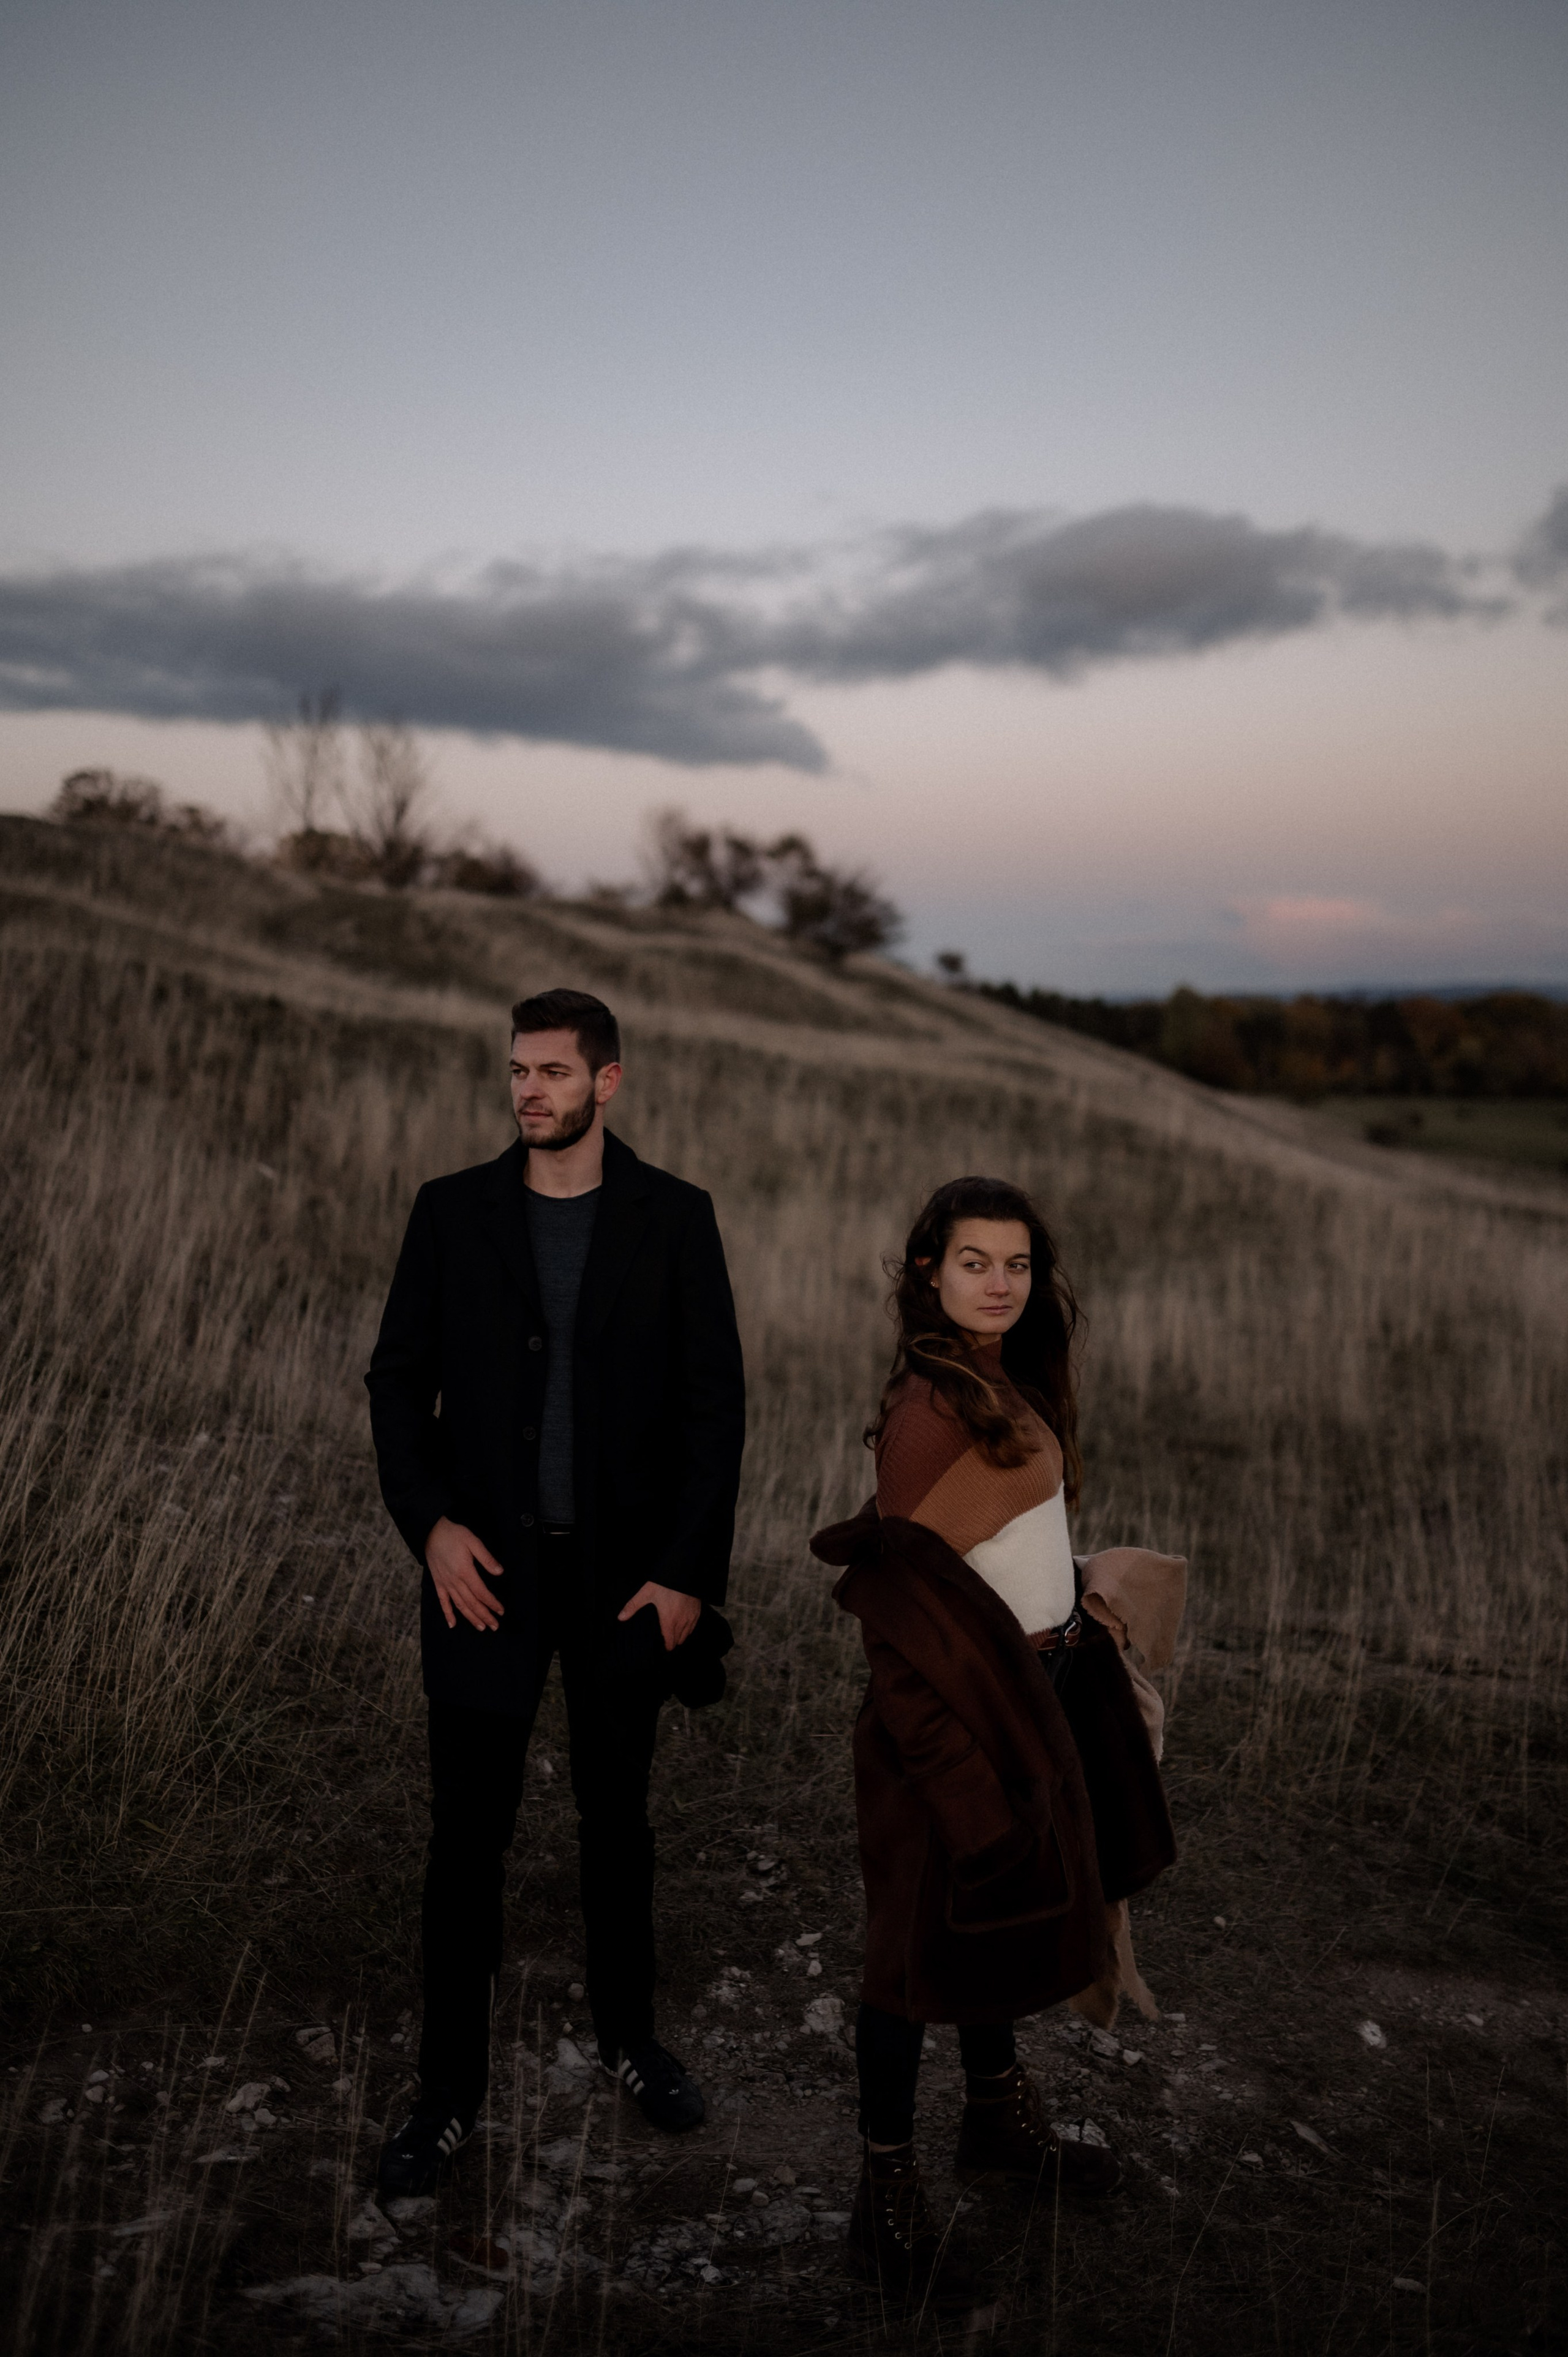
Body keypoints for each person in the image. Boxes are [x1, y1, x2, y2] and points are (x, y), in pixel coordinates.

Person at [366, 987, 745, 2195]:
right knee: (465, 1840)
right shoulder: (450, 1213)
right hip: (484, 1576)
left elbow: (714, 1410)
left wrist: (687, 1572)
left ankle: (631, 2041)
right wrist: (428, 1528)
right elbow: (394, 1386)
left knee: (615, 1824)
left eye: (550, 1073)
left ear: (607, 1082)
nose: (526, 1090)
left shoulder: (675, 1218)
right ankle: (447, 2095)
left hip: (623, 1582)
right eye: (515, 1071)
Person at [810, 1175, 1185, 2296]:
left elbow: (1001, 1549)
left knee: (1003, 1927)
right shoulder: (930, 1414)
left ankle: (992, 2123)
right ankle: (884, 2201)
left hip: (1032, 1691)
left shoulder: (1000, 1381)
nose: (1000, 1283)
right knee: (910, 1959)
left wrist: (1079, 1606)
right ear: (929, 1269)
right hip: (950, 1722)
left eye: (1017, 1264)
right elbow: (902, 1625)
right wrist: (964, 1786)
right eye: (975, 1262)